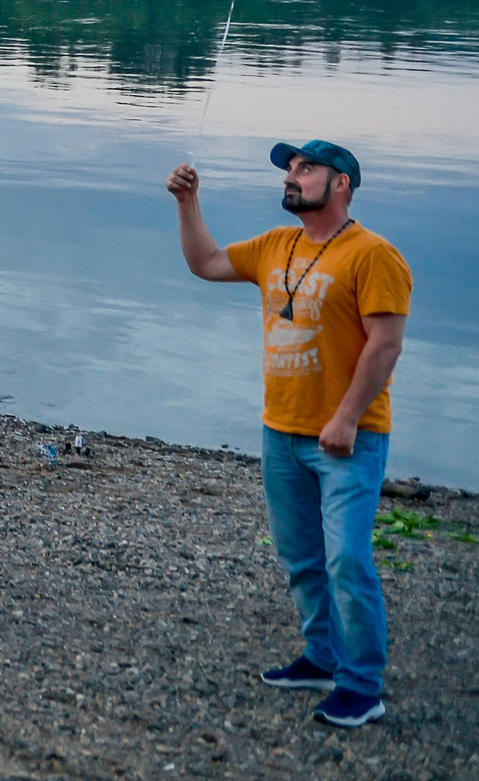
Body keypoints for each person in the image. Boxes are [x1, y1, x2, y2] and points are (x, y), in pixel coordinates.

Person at [168, 140, 411, 730]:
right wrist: (188, 202)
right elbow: (206, 263)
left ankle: (362, 686)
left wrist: (347, 417)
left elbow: (385, 345)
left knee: (347, 561)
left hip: (348, 437)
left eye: (307, 170)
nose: (293, 178)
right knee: (302, 558)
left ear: (342, 184)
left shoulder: (374, 255)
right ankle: (322, 658)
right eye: (290, 170)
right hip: (281, 430)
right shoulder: (277, 245)